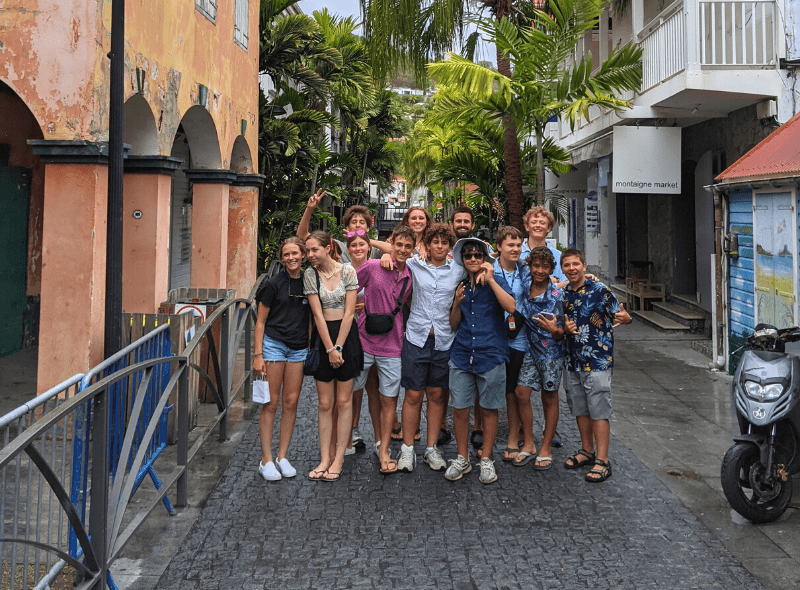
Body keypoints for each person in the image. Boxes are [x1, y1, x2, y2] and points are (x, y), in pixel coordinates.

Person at [446, 238, 515, 484]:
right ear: (462, 259)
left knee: (489, 408)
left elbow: (511, 306)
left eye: (478, 254)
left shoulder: (497, 280)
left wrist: (493, 279)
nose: (473, 259)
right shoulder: (461, 284)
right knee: (460, 408)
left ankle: (486, 458)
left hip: (491, 353)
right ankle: (462, 457)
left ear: (485, 257)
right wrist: (456, 302)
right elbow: (454, 323)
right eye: (468, 255)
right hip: (463, 352)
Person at [395, 223, 462, 473]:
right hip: (416, 338)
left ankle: (432, 448)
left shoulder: (458, 270)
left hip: (444, 339)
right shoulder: (415, 265)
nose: (440, 246)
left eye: (445, 243)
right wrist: (386, 260)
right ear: (428, 244)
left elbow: (486, 260)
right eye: (435, 242)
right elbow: (389, 249)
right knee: (413, 395)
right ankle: (408, 448)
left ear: (449, 247)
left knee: (436, 395)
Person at [561, 248, 631, 483]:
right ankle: (586, 450)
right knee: (580, 408)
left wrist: (626, 318)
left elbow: (622, 315)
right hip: (573, 360)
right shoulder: (564, 296)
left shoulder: (600, 291)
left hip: (597, 361)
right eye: (566, 265)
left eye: (575, 264)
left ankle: (603, 460)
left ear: (584, 266)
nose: (571, 268)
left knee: (599, 409)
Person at [353, 225, 416, 473]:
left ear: (412, 250)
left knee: (389, 400)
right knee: (349, 392)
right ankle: (341, 444)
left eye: (407, 246)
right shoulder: (372, 267)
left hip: (392, 345)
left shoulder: (410, 275)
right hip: (363, 339)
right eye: (398, 245)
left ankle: (384, 450)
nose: (401, 250)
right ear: (391, 243)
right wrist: (354, 307)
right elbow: (347, 287)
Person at [304, 231, 363, 482]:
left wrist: (338, 348)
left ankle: (339, 456)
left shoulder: (348, 271)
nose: (309, 255)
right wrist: (329, 349)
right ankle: (324, 457)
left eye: (314, 250)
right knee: (325, 403)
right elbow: (317, 315)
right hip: (322, 338)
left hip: (346, 338)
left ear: (328, 247)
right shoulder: (310, 274)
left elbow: (350, 313)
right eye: (307, 251)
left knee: (344, 402)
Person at [252, 237, 310, 481]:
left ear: (303, 255)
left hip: (298, 348)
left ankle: (282, 455)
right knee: (271, 403)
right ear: (282, 258)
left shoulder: (310, 281)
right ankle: (266, 459)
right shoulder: (273, 284)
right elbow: (260, 321)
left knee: (291, 402)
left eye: (295, 253)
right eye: (286, 254)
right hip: (274, 346)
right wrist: (258, 355)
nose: (291, 258)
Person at [515, 246, 566, 469]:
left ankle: (545, 446)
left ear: (551, 269)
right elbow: (513, 257)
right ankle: (528, 442)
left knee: (549, 396)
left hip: (550, 354)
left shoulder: (557, 295)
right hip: (529, 349)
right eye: (536, 265)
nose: (540, 270)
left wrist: (555, 330)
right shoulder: (526, 282)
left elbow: (564, 330)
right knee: (521, 392)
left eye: (545, 267)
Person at [491, 226, 528, 463]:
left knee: (513, 390)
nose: (515, 249)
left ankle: (513, 438)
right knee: (493, 388)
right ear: (499, 247)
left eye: (518, 245)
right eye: (510, 245)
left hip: (519, 338)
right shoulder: (488, 269)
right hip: (494, 337)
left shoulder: (526, 270)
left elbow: (551, 283)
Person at [345, 230, 379, 454]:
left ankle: (380, 437)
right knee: (352, 387)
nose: (358, 249)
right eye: (353, 245)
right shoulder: (344, 271)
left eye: (362, 245)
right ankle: (351, 430)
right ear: (347, 250)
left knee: (374, 388)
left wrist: (366, 304)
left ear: (369, 247)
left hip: (372, 334)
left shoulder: (378, 267)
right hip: (350, 333)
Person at [297, 189, 390, 262]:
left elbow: (393, 250)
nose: (358, 225)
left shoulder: (374, 249)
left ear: (368, 228)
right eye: (354, 222)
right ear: (347, 227)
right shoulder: (338, 246)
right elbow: (302, 235)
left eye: (362, 222)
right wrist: (309, 209)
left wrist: (364, 240)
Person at [520, 206, 567, 284]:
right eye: (534, 222)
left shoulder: (558, 256)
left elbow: (566, 282)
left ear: (549, 228)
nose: (538, 225)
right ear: (527, 226)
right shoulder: (516, 252)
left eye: (542, 223)